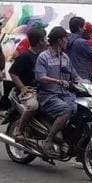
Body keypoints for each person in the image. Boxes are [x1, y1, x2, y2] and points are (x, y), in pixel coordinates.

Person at [35, 26, 80, 156]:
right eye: (66, 39)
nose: (67, 41)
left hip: (65, 94)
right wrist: (57, 81)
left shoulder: (65, 57)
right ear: (60, 41)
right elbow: (40, 77)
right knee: (66, 109)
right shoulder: (43, 57)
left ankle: (67, 140)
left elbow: (74, 75)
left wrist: (86, 83)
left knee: (79, 109)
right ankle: (48, 140)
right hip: (47, 95)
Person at [9, 27, 47, 140]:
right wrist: (22, 88)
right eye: (45, 39)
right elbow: (13, 73)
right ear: (39, 41)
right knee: (33, 106)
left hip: (41, 90)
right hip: (29, 91)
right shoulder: (26, 56)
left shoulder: (42, 56)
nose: (47, 41)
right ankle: (18, 130)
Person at [66, 16, 92, 82]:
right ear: (80, 28)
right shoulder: (81, 42)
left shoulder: (66, 40)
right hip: (82, 78)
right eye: (83, 27)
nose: (84, 29)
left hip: (69, 77)